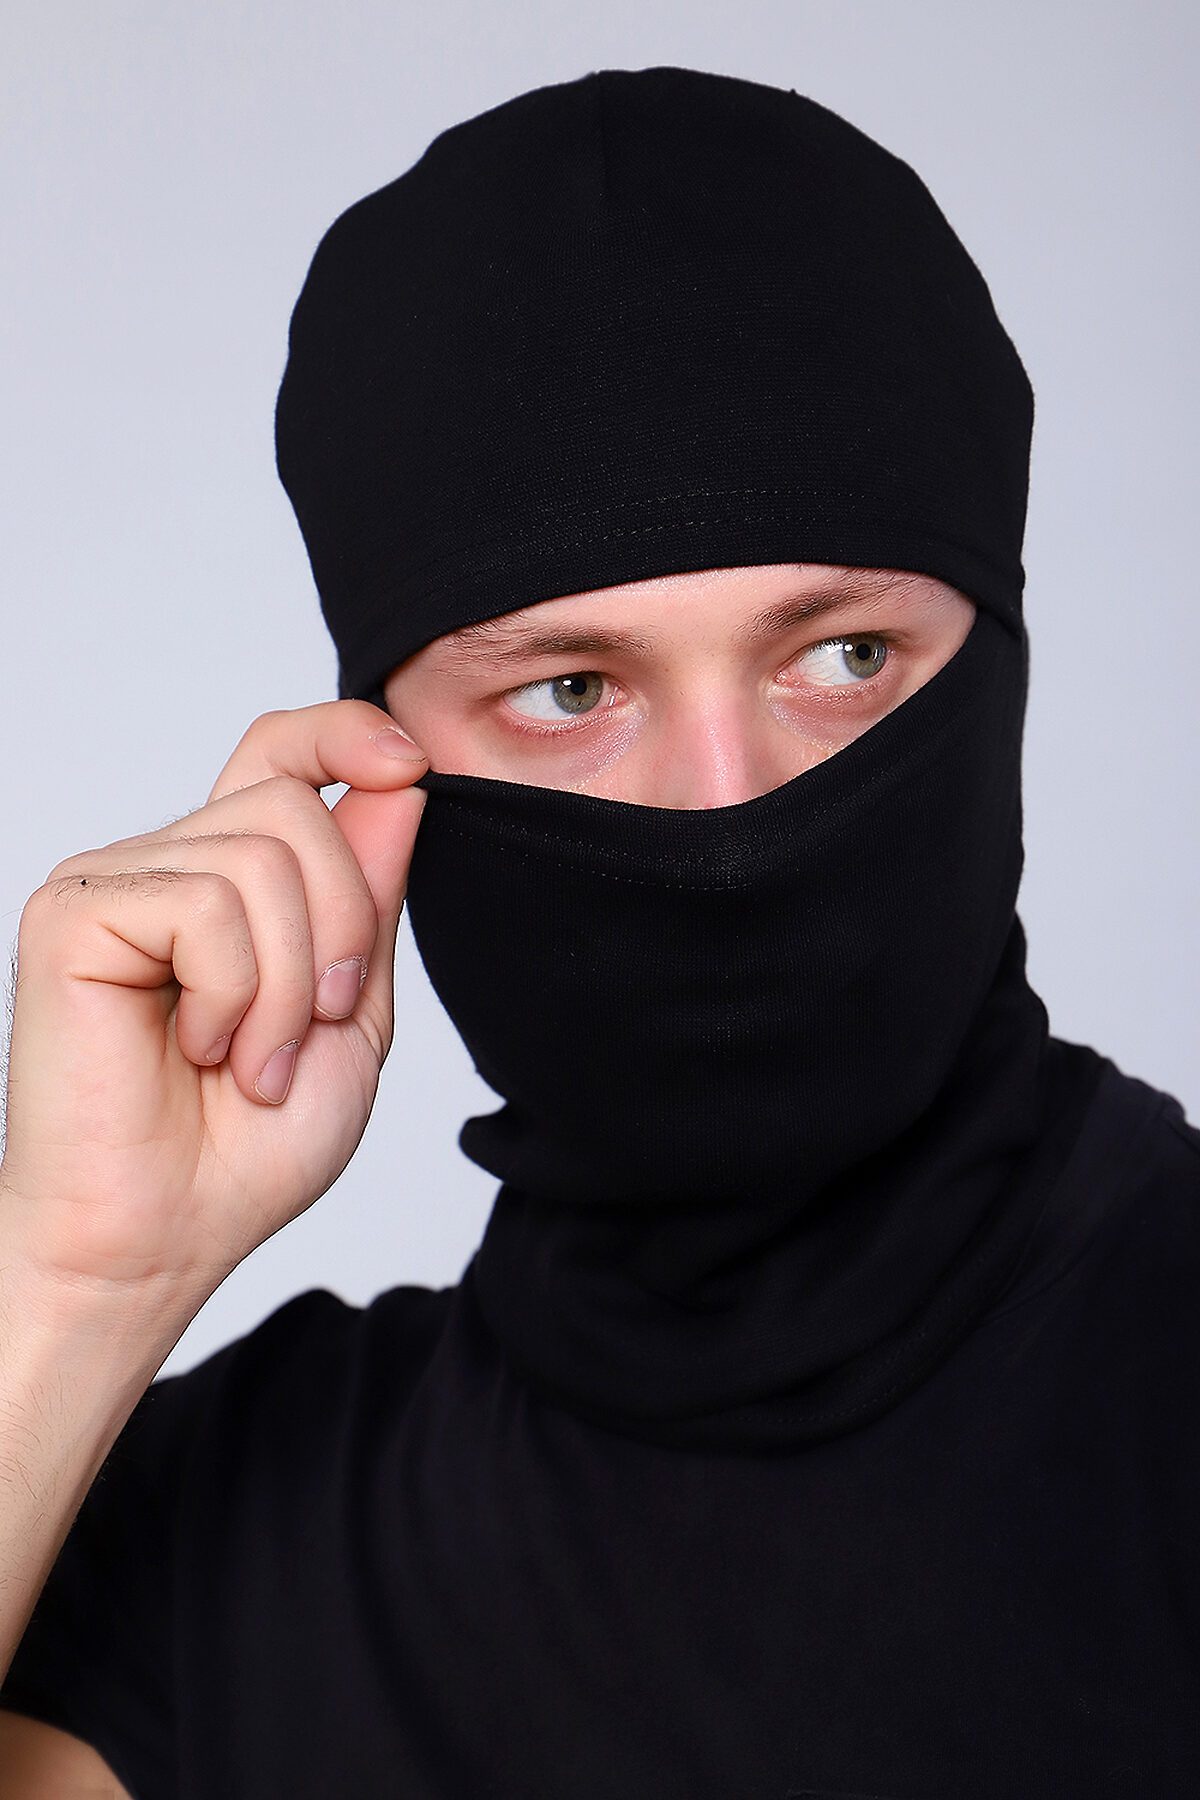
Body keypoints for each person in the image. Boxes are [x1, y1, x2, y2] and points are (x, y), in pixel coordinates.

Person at [0, 64, 1196, 1800]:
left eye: (843, 657)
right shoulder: (205, 1553)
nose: (725, 807)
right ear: (373, 767)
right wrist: (72, 1284)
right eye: (571, 690)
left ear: (993, 665)